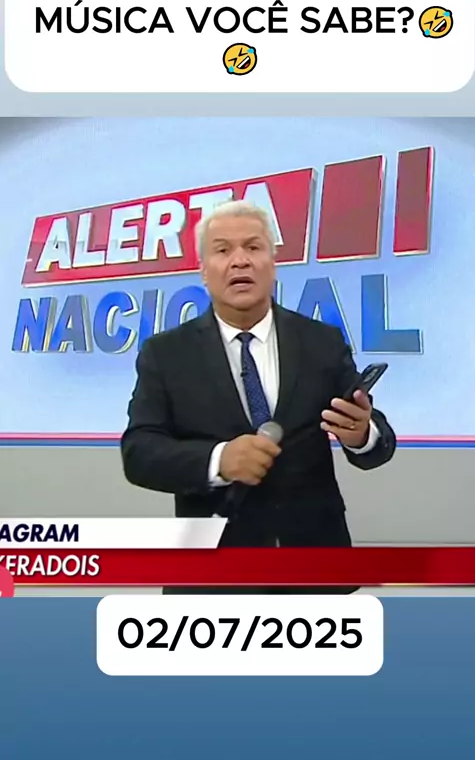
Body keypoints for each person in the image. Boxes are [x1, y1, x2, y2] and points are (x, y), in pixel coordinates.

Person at [121, 201, 396, 594]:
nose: (240, 261)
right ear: (203, 270)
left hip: (318, 573)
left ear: (273, 263)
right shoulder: (165, 354)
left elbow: (376, 443)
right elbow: (139, 453)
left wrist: (362, 434)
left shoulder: (321, 341)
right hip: (213, 579)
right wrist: (218, 460)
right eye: (222, 250)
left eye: (253, 247)